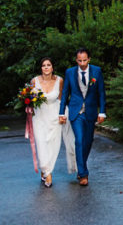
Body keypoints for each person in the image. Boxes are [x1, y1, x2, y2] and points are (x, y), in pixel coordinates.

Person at [58, 48, 106, 186]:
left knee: (88, 141)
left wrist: (102, 111)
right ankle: (83, 173)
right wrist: (61, 112)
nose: (82, 63)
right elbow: (65, 93)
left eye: (85, 60)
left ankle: (81, 165)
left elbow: (101, 93)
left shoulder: (96, 71)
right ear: (76, 60)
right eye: (80, 60)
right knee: (79, 140)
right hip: (76, 112)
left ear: (89, 59)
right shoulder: (70, 72)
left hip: (90, 111)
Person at [29, 58, 76, 187]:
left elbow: (62, 99)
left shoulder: (59, 80)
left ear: (52, 67)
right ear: (41, 68)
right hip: (39, 116)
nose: (46, 67)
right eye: (43, 65)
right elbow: (30, 99)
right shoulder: (34, 81)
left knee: (53, 145)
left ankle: (46, 170)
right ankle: (47, 173)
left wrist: (63, 114)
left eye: (48, 65)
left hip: (54, 116)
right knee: (41, 144)